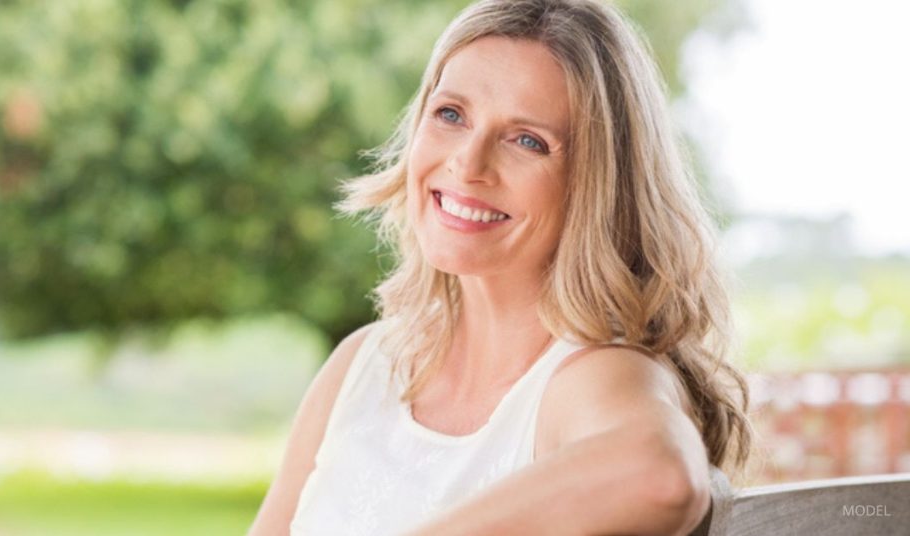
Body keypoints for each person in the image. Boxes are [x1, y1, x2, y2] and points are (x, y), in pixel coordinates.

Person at [249, 0, 752, 534]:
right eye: (450, 115)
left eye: (527, 141)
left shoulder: (594, 375)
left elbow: (661, 479)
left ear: (596, 185)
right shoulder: (362, 364)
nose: (468, 163)